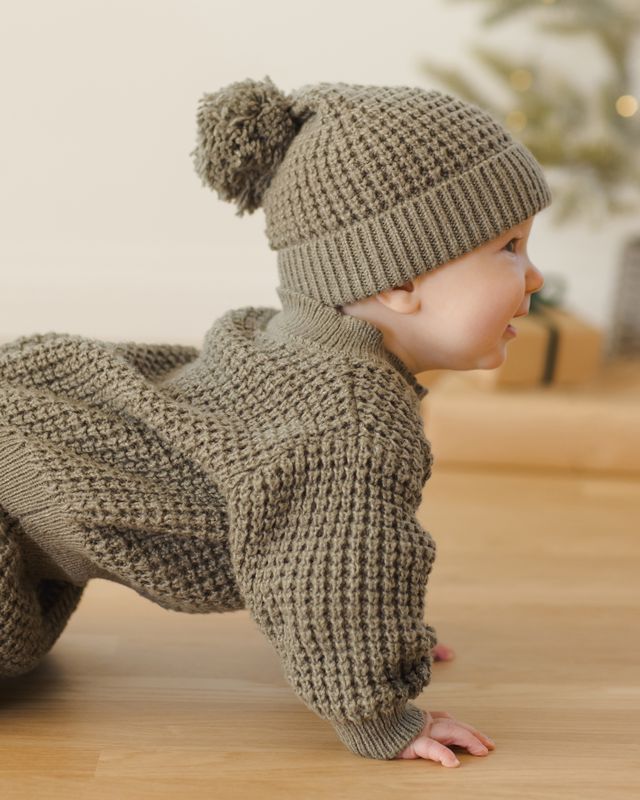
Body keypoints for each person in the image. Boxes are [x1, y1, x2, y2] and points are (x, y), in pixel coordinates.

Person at [0, 76, 551, 765]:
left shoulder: (296, 349)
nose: (535, 277)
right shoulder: (350, 425)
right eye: (509, 248)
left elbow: (346, 557)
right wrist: (382, 709)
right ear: (400, 281)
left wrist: (388, 627)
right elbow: (333, 579)